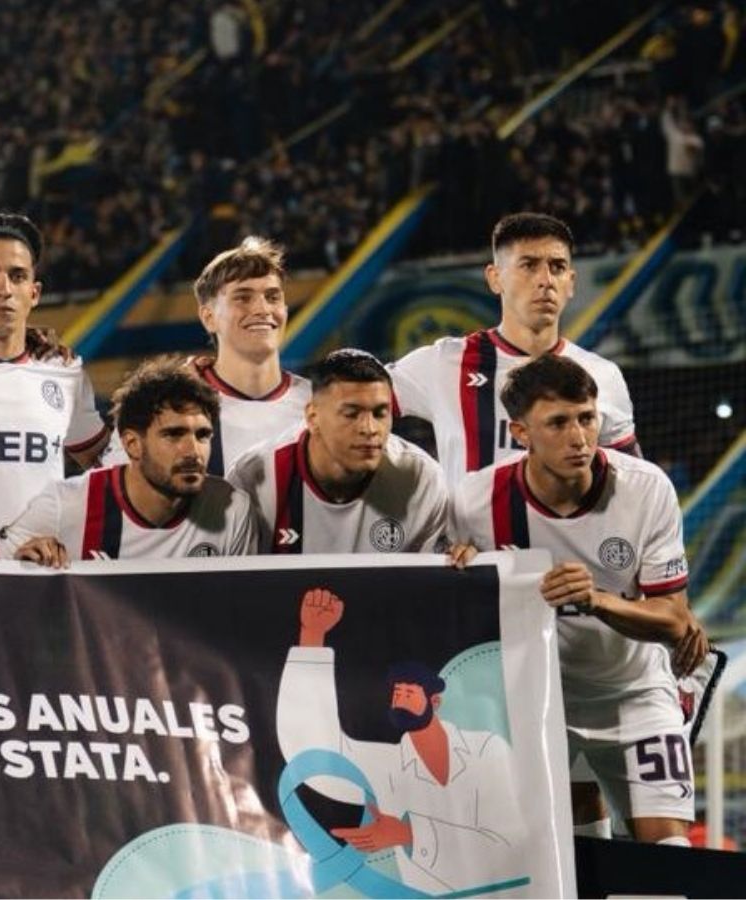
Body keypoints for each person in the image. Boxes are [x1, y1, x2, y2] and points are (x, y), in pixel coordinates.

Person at [450, 354, 707, 845]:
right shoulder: (474, 501)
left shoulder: (645, 488)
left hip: (636, 694)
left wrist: (598, 600)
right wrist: (462, 571)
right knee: (576, 859)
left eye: (587, 418)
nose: (579, 438)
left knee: (670, 854)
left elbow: (676, 621)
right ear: (521, 433)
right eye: (558, 423)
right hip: (543, 699)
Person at [276, 588, 521, 895]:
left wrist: (409, 834)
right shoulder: (388, 768)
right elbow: (314, 751)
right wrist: (312, 638)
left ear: (435, 701)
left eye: (409, 693)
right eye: (397, 693)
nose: (400, 700)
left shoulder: (486, 749)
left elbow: (512, 844)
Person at [392, 213, 639, 486]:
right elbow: (359, 393)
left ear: (570, 283)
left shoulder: (603, 375)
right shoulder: (444, 363)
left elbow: (635, 485)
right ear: (495, 278)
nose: (546, 280)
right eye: (529, 265)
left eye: (557, 267)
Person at [0, 213, 109, 544]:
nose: (4, 288)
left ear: (34, 292)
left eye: (17, 276)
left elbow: (108, 468)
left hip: (38, 570)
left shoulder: (63, 370)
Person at [0, 357, 259, 564]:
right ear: (132, 444)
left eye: (202, 435)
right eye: (174, 434)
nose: (193, 451)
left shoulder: (232, 508)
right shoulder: (64, 506)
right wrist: (19, 568)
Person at [100, 236, 309, 475]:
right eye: (243, 298)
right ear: (208, 317)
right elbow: (114, 490)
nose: (263, 309)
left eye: (272, 297)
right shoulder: (156, 407)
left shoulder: (318, 405)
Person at [226, 349, 449, 554]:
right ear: (313, 417)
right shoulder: (254, 479)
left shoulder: (423, 481)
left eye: (380, 413)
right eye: (351, 414)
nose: (369, 429)